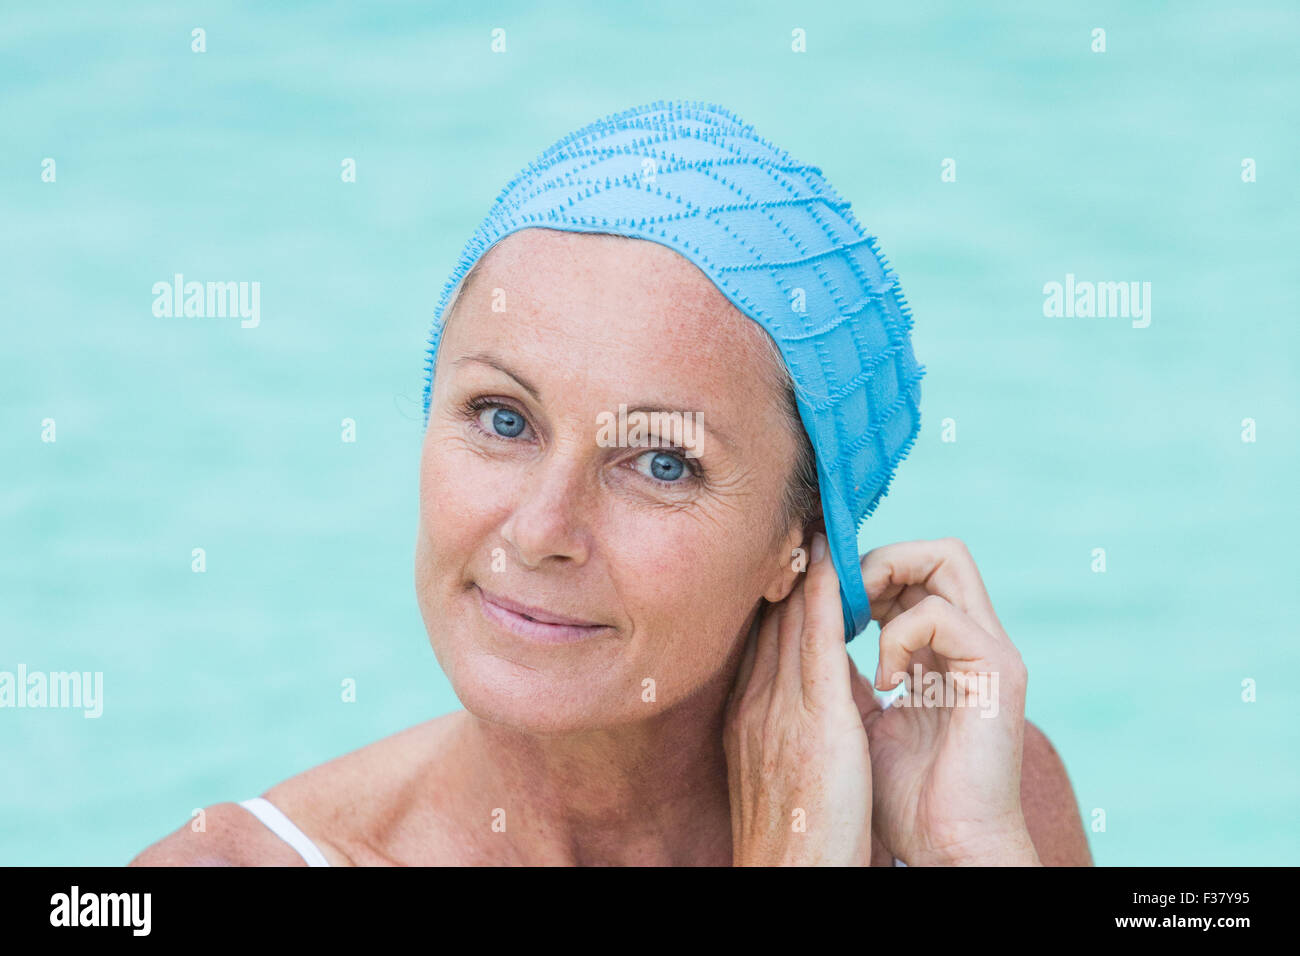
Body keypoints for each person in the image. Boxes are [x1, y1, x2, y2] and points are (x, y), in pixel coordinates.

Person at [131, 102, 1091, 866]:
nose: (541, 528)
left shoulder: (963, 803)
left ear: (796, 541)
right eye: (502, 419)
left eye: (661, 463)